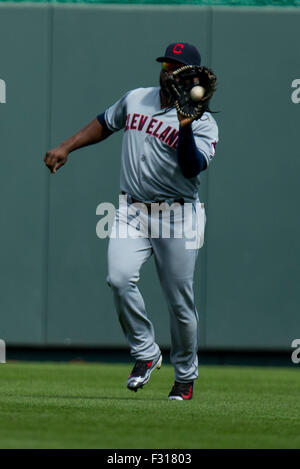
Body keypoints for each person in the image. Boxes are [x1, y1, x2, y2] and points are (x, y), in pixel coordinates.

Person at [44, 42, 219, 401]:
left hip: (179, 215)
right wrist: (67, 146)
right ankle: (146, 352)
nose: (169, 71)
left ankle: (184, 376)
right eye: (166, 64)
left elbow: (191, 167)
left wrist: (185, 127)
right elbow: (104, 123)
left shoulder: (204, 123)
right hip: (132, 211)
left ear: (193, 75)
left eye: (177, 67)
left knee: (179, 303)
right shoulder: (136, 98)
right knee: (119, 278)